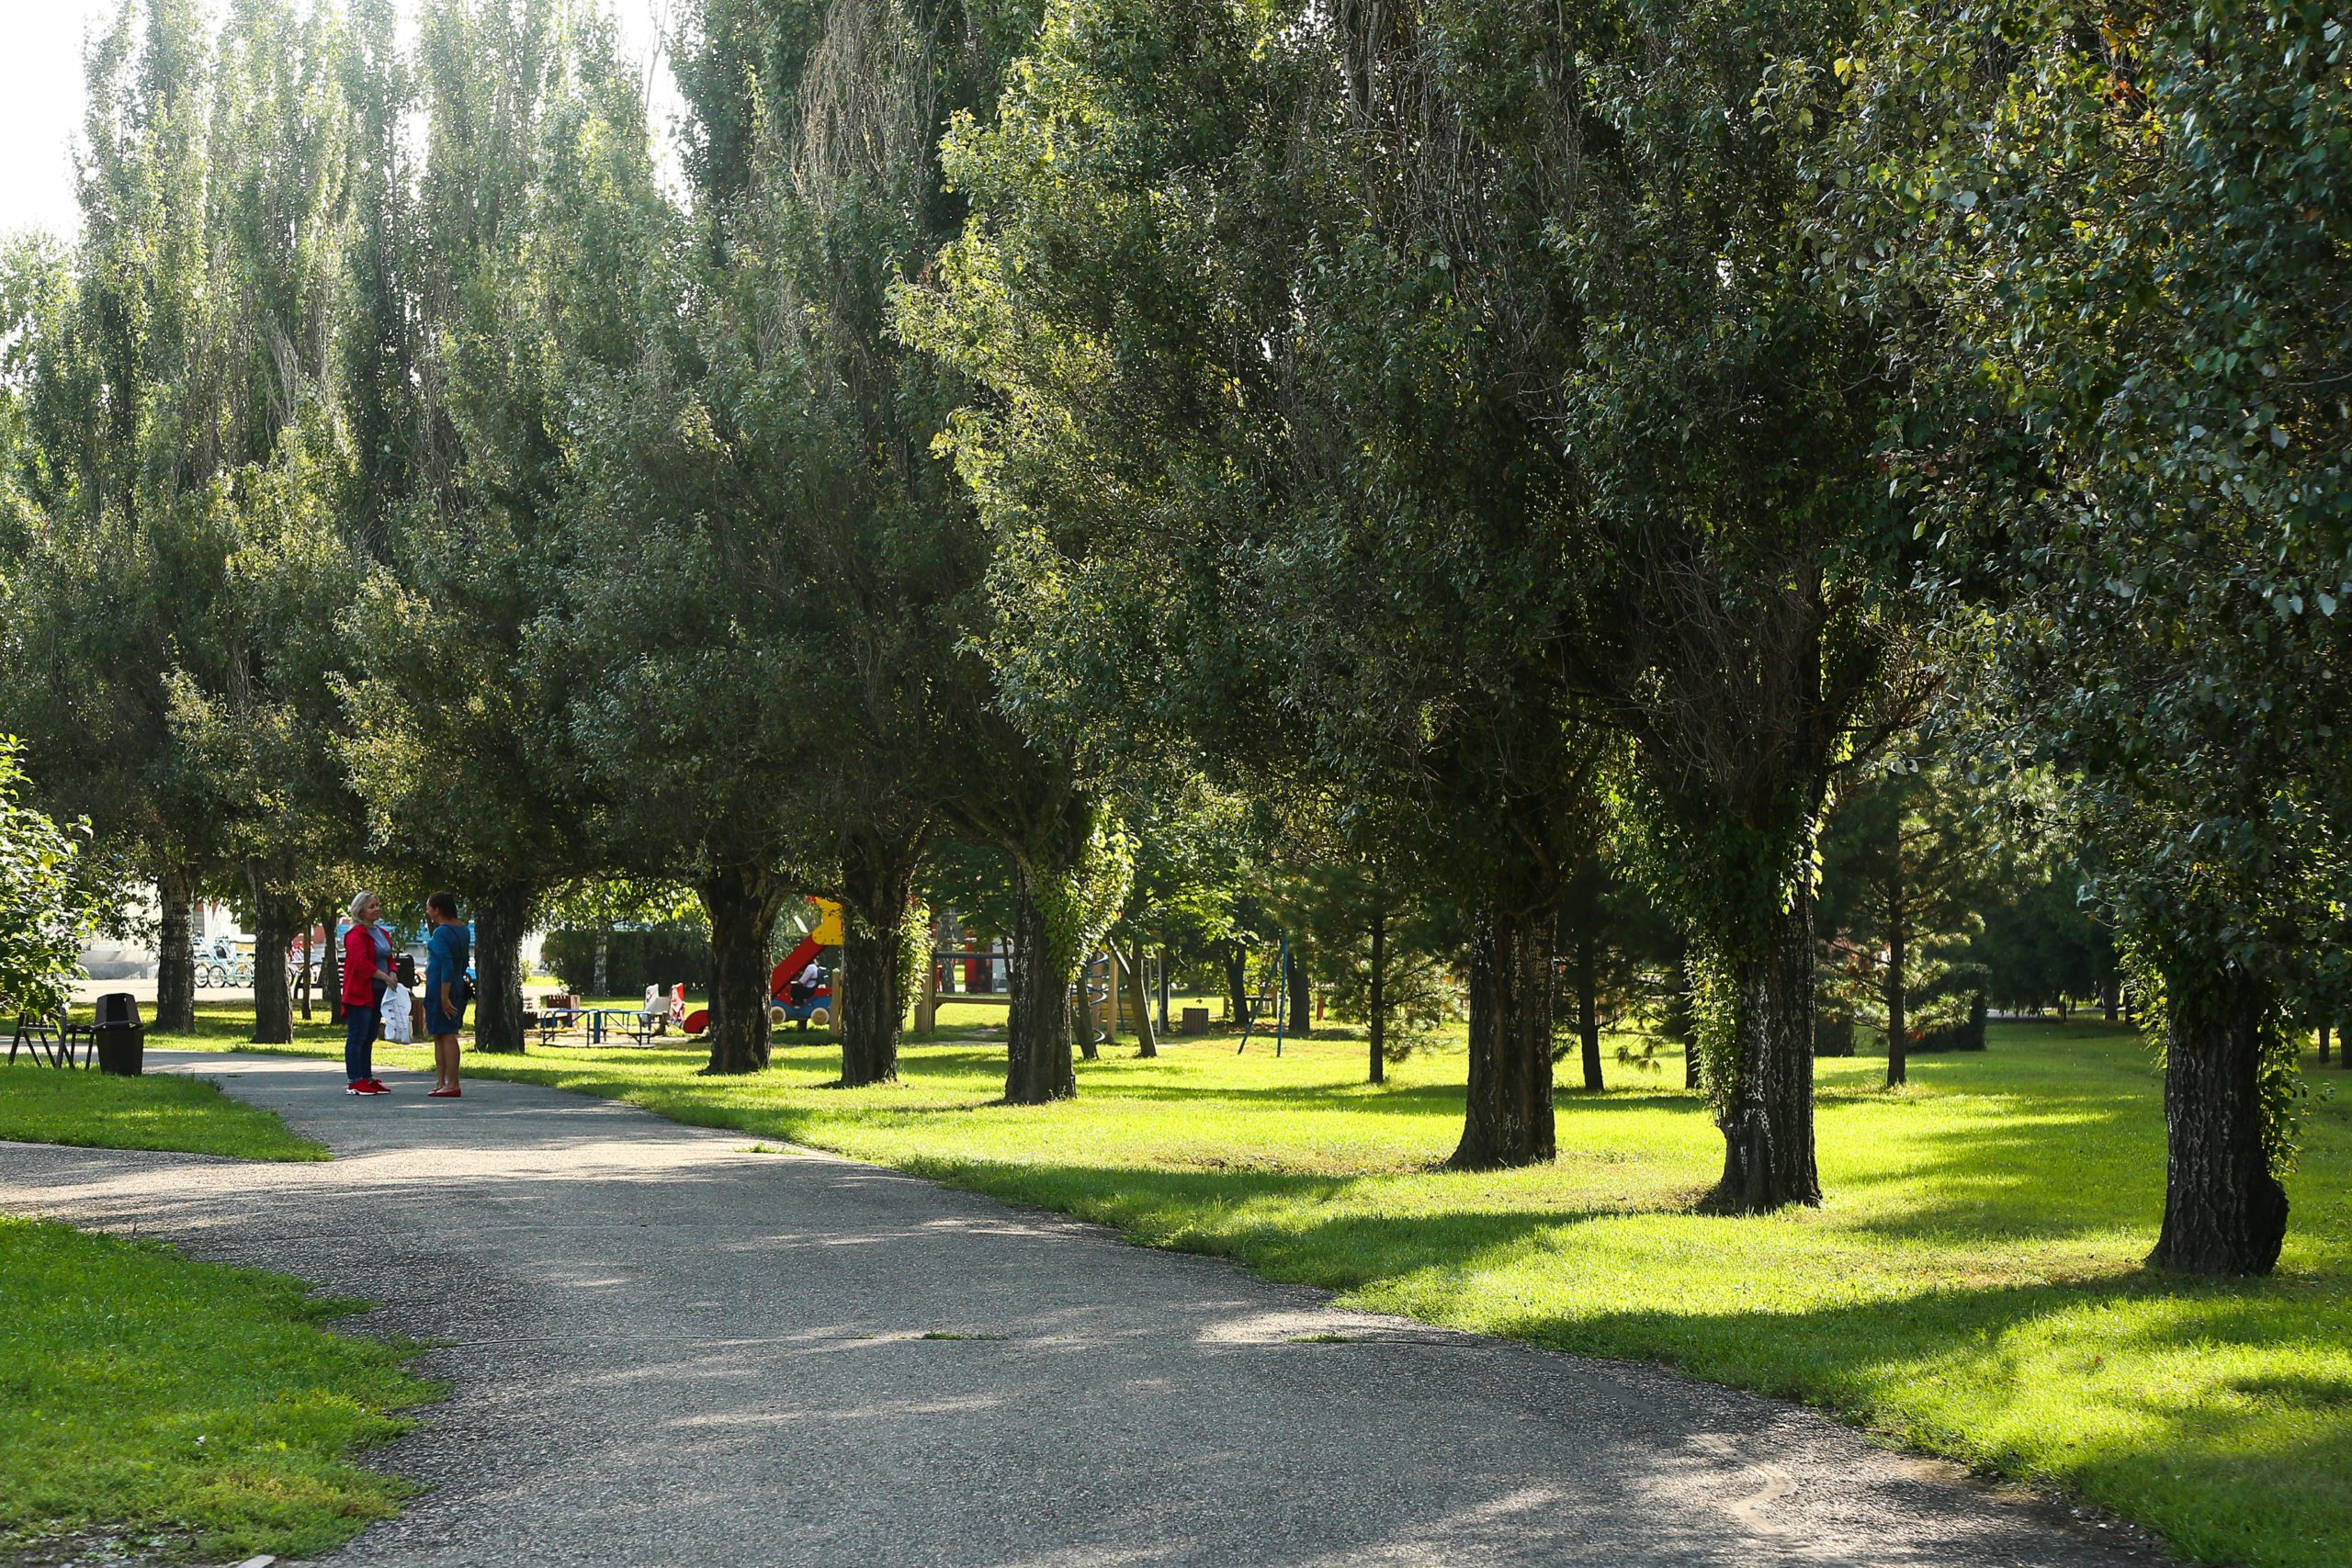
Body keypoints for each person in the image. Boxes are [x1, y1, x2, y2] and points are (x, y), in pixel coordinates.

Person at [342, 891, 397, 1095]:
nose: (376, 909)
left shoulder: (382, 933)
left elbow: (389, 957)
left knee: (370, 1035)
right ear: (360, 911)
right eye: (371, 906)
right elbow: (361, 963)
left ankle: (367, 1077)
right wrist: (384, 976)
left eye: (377, 905)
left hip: (379, 991)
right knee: (358, 1035)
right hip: (360, 991)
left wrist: (392, 971)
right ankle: (354, 1080)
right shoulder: (355, 934)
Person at [424, 891, 470, 1098]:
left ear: (437, 910)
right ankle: (440, 1081)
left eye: (429, 907)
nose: (427, 911)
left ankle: (452, 1083)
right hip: (456, 984)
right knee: (439, 1033)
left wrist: (444, 996)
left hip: (441, 987)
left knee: (448, 1034)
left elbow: (446, 962)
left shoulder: (442, 932)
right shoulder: (463, 929)